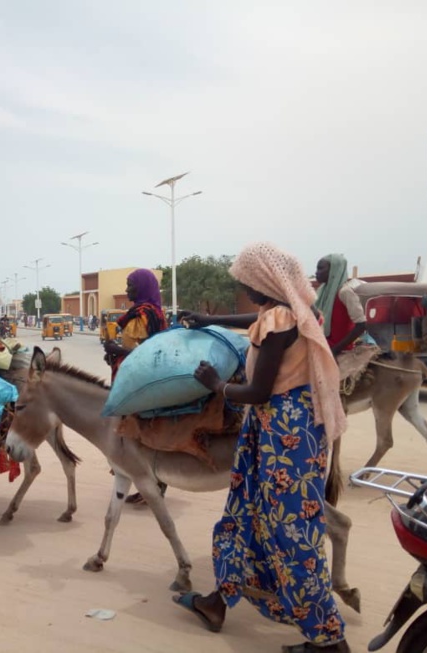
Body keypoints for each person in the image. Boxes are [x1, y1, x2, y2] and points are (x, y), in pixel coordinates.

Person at [172, 242, 350, 653]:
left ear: (264, 281)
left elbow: (256, 391)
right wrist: (211, 320)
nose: (244, 289)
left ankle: (330, 640)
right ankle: (217, 603)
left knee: (292, 536)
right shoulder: (291, 312)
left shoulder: (281, 321)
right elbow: (258, 318)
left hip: (285, 438)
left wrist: (215, 384)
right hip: (275, 432)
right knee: (244, 514)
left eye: (247, 282)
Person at [102, 268, 169, 505]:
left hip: (139, 382)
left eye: (130, 284)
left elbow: (145, 352)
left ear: (141, 287)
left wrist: (117, 351)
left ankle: (153, 485)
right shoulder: (152, 312)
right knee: (142, 432)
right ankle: (149, 483)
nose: (127, 289)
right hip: (139, 379)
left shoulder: (143, 314)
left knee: (139, 432)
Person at [314, 254, 367, 357]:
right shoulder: (321, 291)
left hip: (339, 350)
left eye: (320, 268)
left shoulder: (345, 292)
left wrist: (335, 350)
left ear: (334, 270)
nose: (316, 272)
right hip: (323, 345)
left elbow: (361, 325)